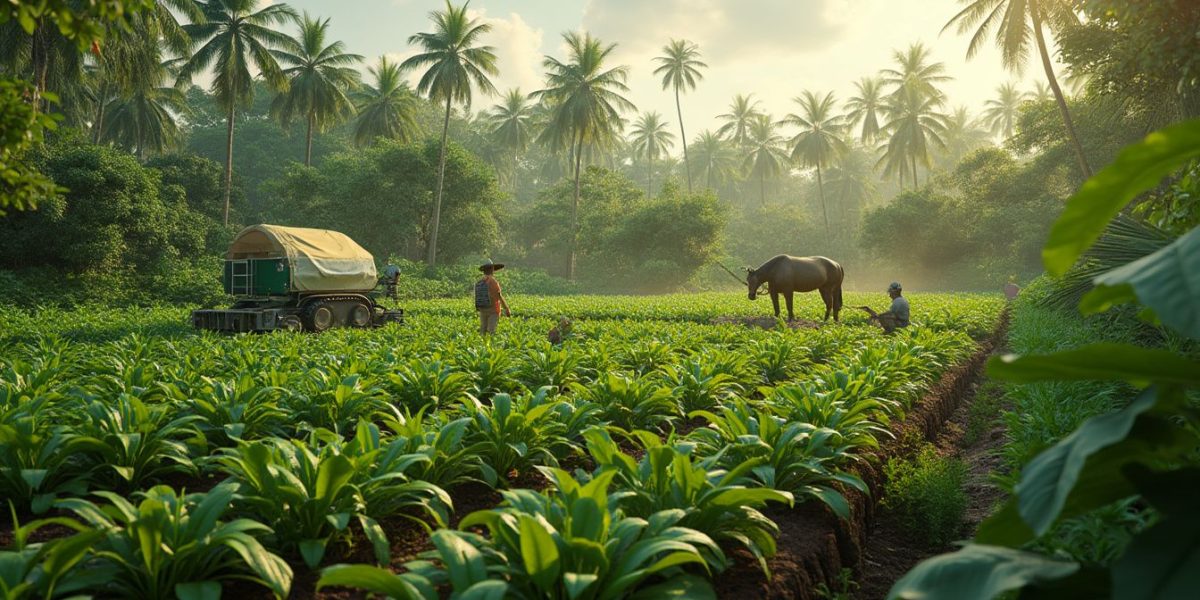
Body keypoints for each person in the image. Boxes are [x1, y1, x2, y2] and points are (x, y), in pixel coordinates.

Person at [474, 259, 510, 335]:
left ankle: (480, 346)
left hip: (483, 310)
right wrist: (506, 308)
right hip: (493, 311)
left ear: (484, 271)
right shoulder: (493, 282)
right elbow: (499, 296)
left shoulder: (480, 282)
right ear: (492, 270)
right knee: (491, 332)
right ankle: (489, 346)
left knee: (483, 331)